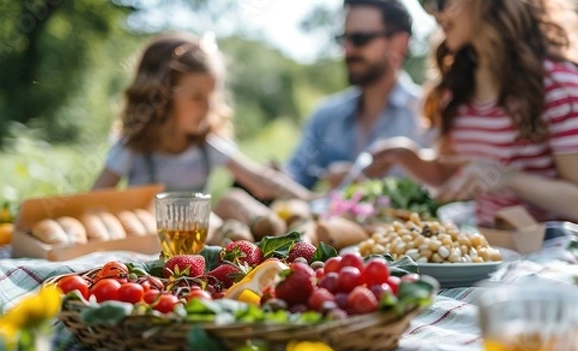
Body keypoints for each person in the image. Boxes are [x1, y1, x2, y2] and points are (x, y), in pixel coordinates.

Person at [364, 0, 578, 226]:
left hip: (550, 253)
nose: (432, 12)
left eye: (442, 1)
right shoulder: (456, 88)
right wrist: (406, 156)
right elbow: (456, 174)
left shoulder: (557, 86)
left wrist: (509, 178)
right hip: (486, 252)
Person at [92, 31, 313, 201]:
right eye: (197, 97)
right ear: (161, 98)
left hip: (194, 249)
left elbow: (260, 181)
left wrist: (309, 200)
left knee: (233, 202)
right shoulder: (133, 148)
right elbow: (95, 199)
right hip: (146, 252)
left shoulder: (206, 146)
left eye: (212, 96)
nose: (208, 107)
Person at [285, 0, 425, 190]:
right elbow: (294, 178)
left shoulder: (429, 115)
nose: (348, 50)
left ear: (399, 44)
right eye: (344, 39)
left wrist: (360, 187)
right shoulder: (325, 116)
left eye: (360, 39)